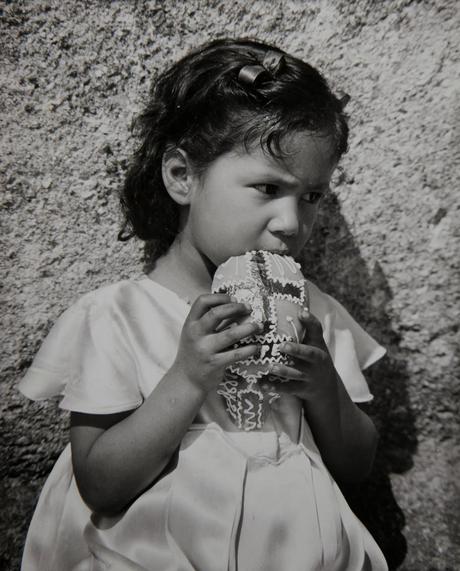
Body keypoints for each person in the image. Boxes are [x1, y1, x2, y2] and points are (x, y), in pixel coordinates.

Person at [19, 38, 388, 571]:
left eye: (311, 196)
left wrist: (324, 387)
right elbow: (100, 485)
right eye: (267, 188)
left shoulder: (314, 314)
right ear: (182, 177)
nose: (292, 222)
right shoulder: (118, 316)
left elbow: (357, 466)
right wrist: (188, 378)